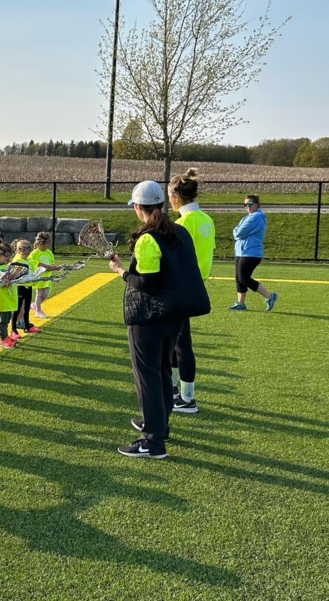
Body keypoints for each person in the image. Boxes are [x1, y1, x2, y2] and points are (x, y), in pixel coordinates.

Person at [109, 180, 209, 459]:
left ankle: (152, 441)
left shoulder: (147, 238)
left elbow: (147, 284)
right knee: (163, 372)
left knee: (148, 377)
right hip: (175, 316)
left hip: (150, 317)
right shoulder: (180, 231)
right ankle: (159, 428)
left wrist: (120, 271)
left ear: (139, 207)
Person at [167, 169, 215, 415]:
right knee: (178, 341)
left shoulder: (183, 223)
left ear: (176, 196)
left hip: (182, 286)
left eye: (169, 196)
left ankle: (187, 398)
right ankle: (177, 390)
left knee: (182, 343)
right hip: (197, 283)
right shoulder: (206, 219)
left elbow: (177, 259)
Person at [230, 194, 278, 311]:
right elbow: (238, 231)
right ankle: (241, 303)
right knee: (239, 278)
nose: (247, 206)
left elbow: (238, 233)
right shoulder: (247, 217)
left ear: (258, 205)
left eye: (250, 204)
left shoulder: (256, 217)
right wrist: (237, 231)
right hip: (242, 252)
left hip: (251, 253)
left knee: (244, 278)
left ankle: (269, 296)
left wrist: (237, 231)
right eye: (245, 204)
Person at [28, 231, 64, 319]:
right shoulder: (34, 254)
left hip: (47, 278)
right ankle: (38, 311)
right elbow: (33, 266)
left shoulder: (49, 253)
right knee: (40, 293)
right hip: (39, 278)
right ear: (41, 243)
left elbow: (51, 264)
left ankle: (34, 305)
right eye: (48, 242)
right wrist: (49, 268)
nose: (50, 244)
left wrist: (55, 269)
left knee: (45, 295)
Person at [0, 238, 19, 348]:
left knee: (7, 318)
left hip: (9, 297)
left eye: (10, 254)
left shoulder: (8, 266)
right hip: (1, 298)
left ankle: (6, 336)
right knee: (2, 320)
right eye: (6, 254)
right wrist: (4, 283)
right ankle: (2, 339)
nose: (9, 257)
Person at [12, 238, 41, 335]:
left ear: (30, 249)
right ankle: (13, 330)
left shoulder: (28, 260)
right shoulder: (17, 260)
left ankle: (26, 326)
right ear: (17, 249)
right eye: (20, 248)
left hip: (28, 286)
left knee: (27, 307)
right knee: (17, 308)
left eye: (26, 248)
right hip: (20, 287)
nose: (23, 251)